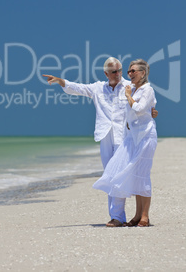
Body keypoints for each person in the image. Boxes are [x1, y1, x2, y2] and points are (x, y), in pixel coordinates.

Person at [43, 57, 158, 227]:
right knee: (109, 173)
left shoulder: (130, 86)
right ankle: (117, 216)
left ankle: (121, 217)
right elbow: (79, 88)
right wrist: (62, 81)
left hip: (125, 136)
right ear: (106, 73)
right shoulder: (98, 88)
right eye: (114, 71)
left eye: (120, 70)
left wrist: (152, 111)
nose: (118, 74)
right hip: (105, 136)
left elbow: (146, 100)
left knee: (118, 173)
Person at [93, 59, 158, 227]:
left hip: (145, 136)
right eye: (129, 71)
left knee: (142, 174)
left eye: (133, 71)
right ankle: (136, 216)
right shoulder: (135, 89)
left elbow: (138, 108)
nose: (129, 74)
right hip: (133, 137)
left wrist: (129, 97)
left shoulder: (143, 89)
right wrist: (152, 111)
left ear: (143, 73)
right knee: (134, 174)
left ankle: (144, 216)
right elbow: (145, 108)